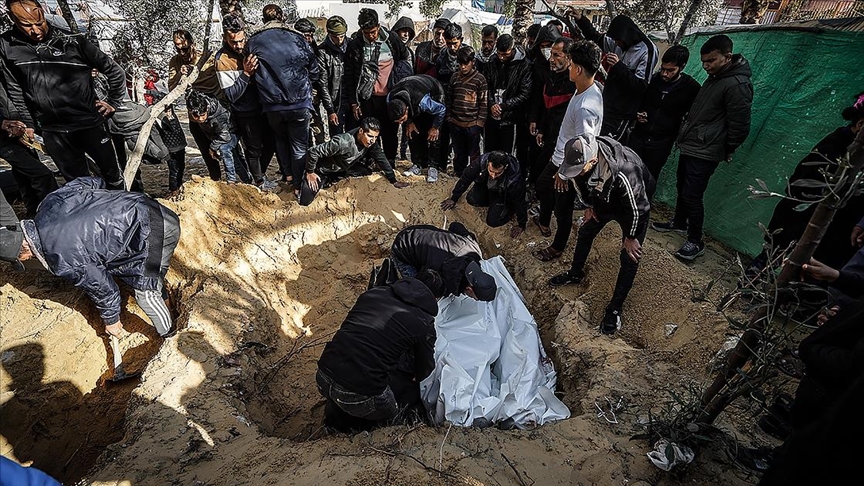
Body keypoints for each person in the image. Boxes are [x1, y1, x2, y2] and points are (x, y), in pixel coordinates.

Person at [0, 177, 180, 339]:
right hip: (144, 206)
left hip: (155, 229)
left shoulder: (63, 258)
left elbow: (103, 288)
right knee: (144, 273)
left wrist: (112, 320)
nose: (25, 260)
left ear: (24, 247)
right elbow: (91, 182)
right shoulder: (48, 203)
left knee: (145, 294)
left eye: (21, 258)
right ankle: (168, 308)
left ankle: (169, 335)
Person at [0, 0, 126, 190]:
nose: (35, 30)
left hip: (90, 124)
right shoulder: (7, 46)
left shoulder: (72, 40)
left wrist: (112, 101)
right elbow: (16, 89)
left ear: (42, 12)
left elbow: (115, 71)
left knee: (113, 178)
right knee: (78, 187)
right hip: (54, 132)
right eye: (27, 25)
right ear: (12, 18)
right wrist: (29, 124)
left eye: (39, 22)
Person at [652, 34, 753, 261]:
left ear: (727, 57)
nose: (706, 66)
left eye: (711, 61)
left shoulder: (737, 84)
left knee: (692, 194)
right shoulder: (716, 77)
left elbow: (741, 124)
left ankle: (695, 241)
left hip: (707, 150)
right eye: (704, 61)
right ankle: (679, 223)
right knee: (682, 185)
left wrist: (726, 147)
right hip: (693, 144)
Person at [547, 134, 655, 335]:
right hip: (603, 197)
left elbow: (638, 208)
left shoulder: (625, 171)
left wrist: (630, 237)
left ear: (593, 160)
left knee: (630, 256)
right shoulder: (578, 159)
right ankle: (575, 274)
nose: (575, 173)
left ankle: (615, 308)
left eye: (579, 169)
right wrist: (589, 206)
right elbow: (577, 181)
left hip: (633, 205)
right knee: (586, 231)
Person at [316, 269, 445, 431]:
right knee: (392, 411)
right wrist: (417, 374)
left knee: (347, 388)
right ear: (434, 298)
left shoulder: (374, 293)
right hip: (358, 395)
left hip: (323, 374)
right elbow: (425, 368)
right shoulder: (423, 322)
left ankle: (333, 420)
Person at [748, 95, 864, 274]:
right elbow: (805, 182)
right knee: (773, 255)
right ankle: (754, 278)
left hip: (828, 231)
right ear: (860, 125)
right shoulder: (838, 144)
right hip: (802, 215)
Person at [532, 40, 604, 262]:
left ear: (579, 69)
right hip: (560, 157)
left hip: (568, 166)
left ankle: (557, 247)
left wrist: (564, 174)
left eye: (571, 64)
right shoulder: (586, 89)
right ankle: (544, 221)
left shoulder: (586, 107)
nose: (568, 68)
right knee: (543, 187)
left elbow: (587, 147)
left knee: (563, 210)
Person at [247, 12, 319, 198]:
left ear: (263, 20)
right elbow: (314, 70)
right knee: (299, 146)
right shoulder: (298, 39)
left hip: (272, 105)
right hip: (299, 102)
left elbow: (250, 70)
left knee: (280, 138)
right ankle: (297, 184)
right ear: (283, 18)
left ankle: (287, 175)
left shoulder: (254, 41)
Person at [215, 14, 279, 191]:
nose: (238, 45)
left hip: (263, 106)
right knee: (253, 148)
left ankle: (259, 175)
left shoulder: (251, 47)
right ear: (225, 38)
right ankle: (258, 182)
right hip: (245, 112)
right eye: (233, 42)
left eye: (241, 40)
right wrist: (246, 74)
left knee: (272, 141)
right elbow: (231, 95)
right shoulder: (222, 60)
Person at [573, 13, 658, 142]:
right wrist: (581, 20)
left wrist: (619, 66)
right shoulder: (617, 43)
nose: (616, 44)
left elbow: (640, 86)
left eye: (619, 41)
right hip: (606, 103)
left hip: (623, 112)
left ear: (627, 37)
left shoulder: (647, 50)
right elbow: (596, 38)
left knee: (608, 146)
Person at [343, 9, 412, 164]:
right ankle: (371, 161)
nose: (370, 36)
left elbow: (404, 60)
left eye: (373, 32)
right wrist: (354, 102)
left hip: (390, 97)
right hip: (367, 98)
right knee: (370, 132)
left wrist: (402, 92)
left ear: (379, 27)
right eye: (366, 32)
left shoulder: (392, 40)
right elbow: (349, 76)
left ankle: (390, 161)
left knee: (390, 132)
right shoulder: (355, 45)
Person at [628, 45, 701, 180]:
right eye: (663, 69)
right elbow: (637, 102)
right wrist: (637, 114)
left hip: (661, 144)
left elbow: (693, 116)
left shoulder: (691, 88)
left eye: (670, 70)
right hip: (638, 137)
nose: (664, 74)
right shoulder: (653, 80)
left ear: (682, 67)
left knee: (648, 179)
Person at [300, 117, 409, 206]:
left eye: (376, 137)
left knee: (366, 172)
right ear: (361, 131)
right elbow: (313, 152)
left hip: (344, 169)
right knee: (305, 200)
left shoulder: (371, 142)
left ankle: (334, 179)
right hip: (322, 170)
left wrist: (393, 179)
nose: (373, 140)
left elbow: (381, 158)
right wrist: (310, 172)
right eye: (370, 136)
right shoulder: (342, 142)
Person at [168, 29, 226, 182]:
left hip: (217, 113)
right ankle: (216, 180)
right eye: (177, 48)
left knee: (228, 146)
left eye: (185, 48)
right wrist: (181, 75)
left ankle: (238, 180)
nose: (182, 52)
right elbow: (171, 89)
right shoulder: (175, 62)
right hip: (196, 117)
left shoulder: (207, 58)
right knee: (207, 152)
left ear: (192, 44)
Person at [390, 223, 497, 300]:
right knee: (417, 291)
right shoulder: (439, 274)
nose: (474, 300)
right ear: (469, 289)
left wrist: (448, 238)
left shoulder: (474, 250)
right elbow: (425, 281)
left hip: (420, 231)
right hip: (402, 247)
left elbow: (455, 225)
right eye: (475, 298)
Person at [0, 76, 57, 218]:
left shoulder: (7, 71)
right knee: (42, 174)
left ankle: (33, 214)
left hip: (18, 131)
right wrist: (2, 123)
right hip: (4, 137)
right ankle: (54, 213)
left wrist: (27, 125)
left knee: (23, 174)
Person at [441, 151, 527, 238]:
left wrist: (521, 224)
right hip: (485, 185)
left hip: (502, 195)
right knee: (472, 199)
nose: (493, 175)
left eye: (498, 173)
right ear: (487, 163)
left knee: (493, 221)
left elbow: (519, 201)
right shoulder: (479, 163)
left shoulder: (514, 180)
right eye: (491, 171)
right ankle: (492, 203)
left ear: (505, 167)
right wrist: (454, 198)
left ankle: (508, 210)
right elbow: (465, 179)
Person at [528, 30, 574, 185]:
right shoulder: (549, 75)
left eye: (556, 55)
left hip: (563, 139)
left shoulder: (574, 82)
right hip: (548, 132)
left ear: (568, 57)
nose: (551, 59)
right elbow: (545, 104)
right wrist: (541, 128)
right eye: (551, 54)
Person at [387, 75, 447, 183]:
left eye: (402, 119)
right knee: (411, 132)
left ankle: (433, 167)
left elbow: (441, 110)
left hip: (434, 94)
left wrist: (435, 127)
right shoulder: (390, 99)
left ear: (406, 111)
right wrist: (409, 121)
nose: (401, 123)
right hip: (412, 99)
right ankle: (417, 165)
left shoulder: (424, 102)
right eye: (398, 122)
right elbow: (403, 115)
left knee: (433, 135)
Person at [484, 34, 532, 155]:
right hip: (491, 116)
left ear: (513, 49)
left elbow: (524, 93)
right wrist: (491, 104)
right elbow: (486, 86)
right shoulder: (492, 60)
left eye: (505, 54)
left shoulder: (524, 64)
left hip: (511, 118)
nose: (501, 57)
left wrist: (504, 106)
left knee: (506, 155)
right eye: (499, 54)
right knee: (489, 152)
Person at [446, 46, 487, 177]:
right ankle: (459, 175)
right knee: (459, 152)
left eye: (466, 64)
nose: (463, 67)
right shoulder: (454, 77)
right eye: (460, 64)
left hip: (472, 125)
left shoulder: (480, 80)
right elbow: (449, 98)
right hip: (456, 123)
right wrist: (449, 117)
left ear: (472, 62)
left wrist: (479, 123)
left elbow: (484, 103)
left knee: (474, 153)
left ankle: (474, 176)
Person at [185, 90, 241, 184]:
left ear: (207, 109)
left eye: (202, 115)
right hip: (213, 133)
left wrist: (213, 147)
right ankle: (216, 178)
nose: (200, 119)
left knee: (228, 152)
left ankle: (235, 180)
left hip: (229, 132)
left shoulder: (219, 115)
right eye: (196, 117)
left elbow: (225, 135)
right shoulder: (194, 103)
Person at [294, 18, 326, 146]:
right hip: (298, 97)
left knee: (318, 128)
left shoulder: (314, 50)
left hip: (313, 95)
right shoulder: (291, 51)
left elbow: (318, 74)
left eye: (311, 35)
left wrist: (316, 92)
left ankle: (321, 158)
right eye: (306, 35)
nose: (310, 39)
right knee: (303, 132)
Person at [318, 16, 348, 137]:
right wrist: (330, 110)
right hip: (335, 101)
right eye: (336, 37)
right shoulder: (322, 51)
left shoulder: (351, 45)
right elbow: (323, 83)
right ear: (329, 34)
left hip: (353, 100)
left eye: (342, 36)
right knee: (337, 139)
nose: (340, 40)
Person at [391, 16, 416, 161]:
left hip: (408, 96)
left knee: (408, 128)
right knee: (392, 129)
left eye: (408, 32)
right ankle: (393, 156)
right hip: (393, 95)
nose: (406, 34)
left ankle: (404, 156)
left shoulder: (410, 53)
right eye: (403, 31)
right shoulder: (389, 50)